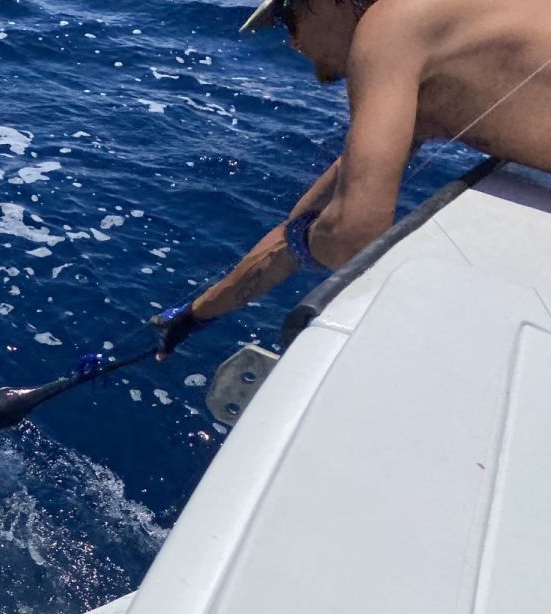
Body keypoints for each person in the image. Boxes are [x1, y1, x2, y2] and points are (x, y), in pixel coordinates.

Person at [155, 0, 551, 358]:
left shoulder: (394, 23)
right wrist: (196, 314)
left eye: (288, 17)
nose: (292, 42)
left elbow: (350, 238)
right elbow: (294, 234)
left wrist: (307, 236)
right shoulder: (438, 37)